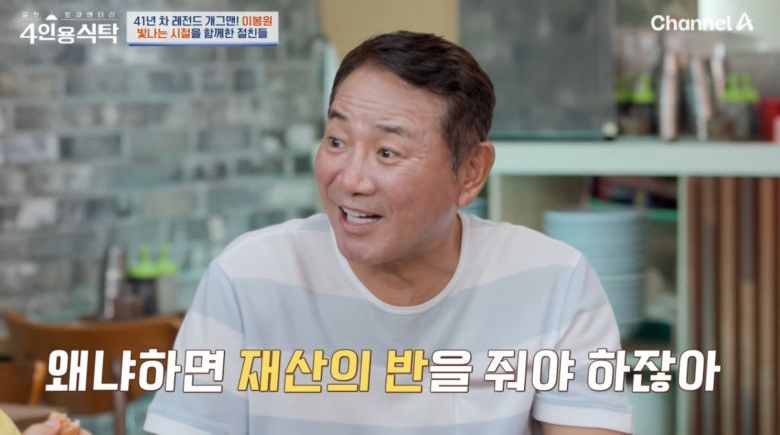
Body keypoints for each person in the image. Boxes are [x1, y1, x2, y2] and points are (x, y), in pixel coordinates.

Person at [144, 31, 633, 435]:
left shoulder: (555, 282)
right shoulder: (247, 278)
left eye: (387, 153)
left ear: (470, 173)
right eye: (337, 141)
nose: (350, 180)